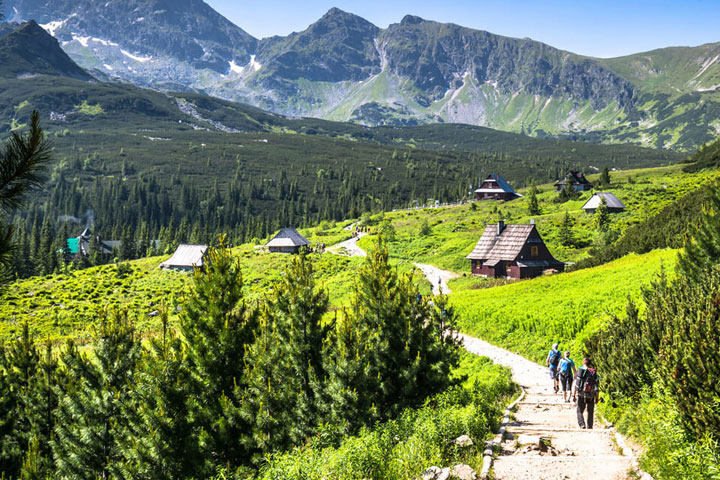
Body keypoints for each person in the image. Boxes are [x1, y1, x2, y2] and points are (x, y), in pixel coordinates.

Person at [572, 357, 600, 429]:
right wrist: (597, 397)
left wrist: (573, 395)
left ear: (583, 362)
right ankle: (590, 426)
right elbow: (596, 387)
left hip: (581, 394)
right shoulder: (593, 372)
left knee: (579, 411)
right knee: (590, 411)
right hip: (591, 395)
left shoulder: (580, 371)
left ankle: (582, 424)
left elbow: (576, 384)